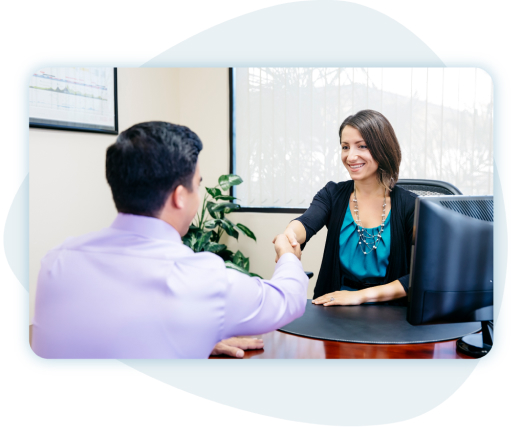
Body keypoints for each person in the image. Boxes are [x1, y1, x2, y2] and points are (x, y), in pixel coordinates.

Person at [31, 121, 308, 359]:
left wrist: (193, 334)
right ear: (179, 196)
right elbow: (289, 299)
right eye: (197, 184)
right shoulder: (200, 278)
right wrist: (287, 254)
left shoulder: (57, 261)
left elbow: (107, 333)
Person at [281, 110, 417, 306]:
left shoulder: (410, 205)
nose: (350, 156)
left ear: (383, 148)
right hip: (335, 309)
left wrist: (360, 296)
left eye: (362, 146)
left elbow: (427, 273)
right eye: (345, 147)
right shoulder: (332, 194)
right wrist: (289, 236)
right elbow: (305, 224)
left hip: (391, 315)